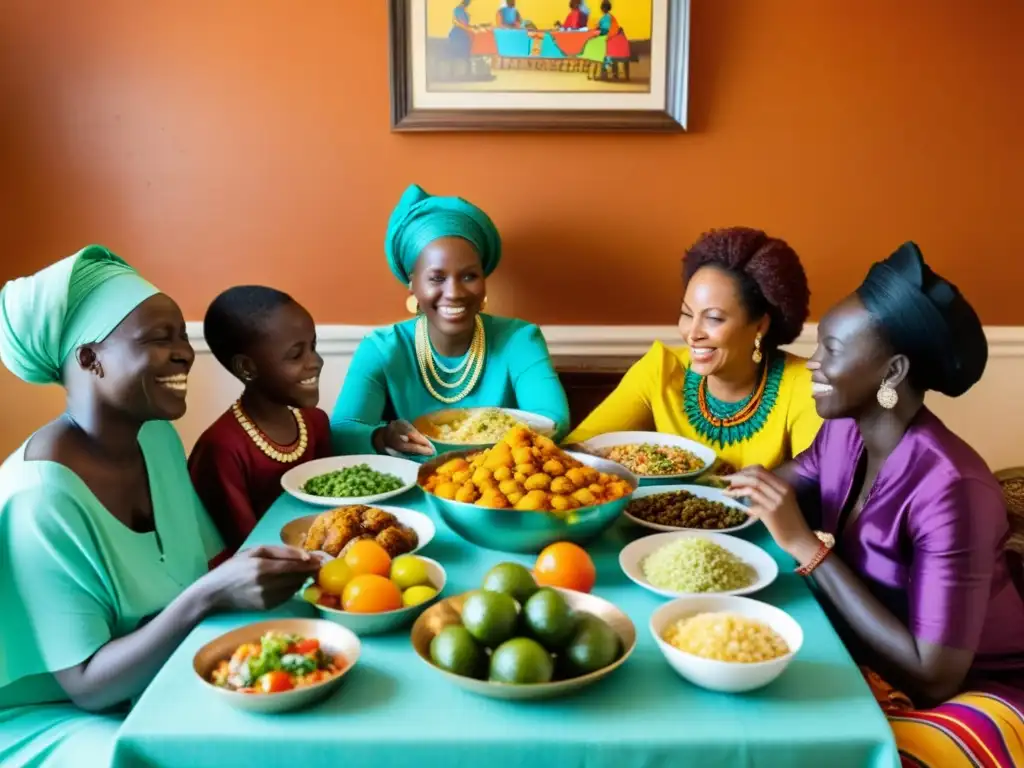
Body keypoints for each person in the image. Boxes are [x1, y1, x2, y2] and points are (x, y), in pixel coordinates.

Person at [0, 247, 321, 767]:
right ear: (89, 358)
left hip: (157, 673)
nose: (185, 353)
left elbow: (205, 566)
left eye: (180, 335)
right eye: (157, 338)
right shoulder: (38, 498)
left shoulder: (158, 440)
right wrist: (208, 598)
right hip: (61, 716)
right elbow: (86, 686)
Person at [727, 242, 1024, 767]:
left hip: (974, 696)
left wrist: (804, 545)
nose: (814, 363)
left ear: (891, 373)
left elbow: (935, 674)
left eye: (833, 350)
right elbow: (767, 492)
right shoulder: (842, 433)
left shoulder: (953, 489)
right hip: (868, 657)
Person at [331, 184, 570, 458]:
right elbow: (341, 432)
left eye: (469, 276)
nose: (455, 293)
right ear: (413, 284)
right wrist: (382, 436)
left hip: (503, 485)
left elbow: (554, 420)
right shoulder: (383, 348)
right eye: (437, 278)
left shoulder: (519, 339)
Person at [565, 227, 820, 473]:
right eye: (687, 314)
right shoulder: (663, 368)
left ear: (760, 325)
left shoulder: (802, 386)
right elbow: (577, 449)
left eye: (714, 318)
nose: (693, 333)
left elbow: (819, 485)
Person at [188, 286, 333, 555]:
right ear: (247, 367)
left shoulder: (316, 423)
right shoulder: (221, 450)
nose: (315, 362)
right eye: (295, 354)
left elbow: (332, 512)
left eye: (313, 346)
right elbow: (245, 548)